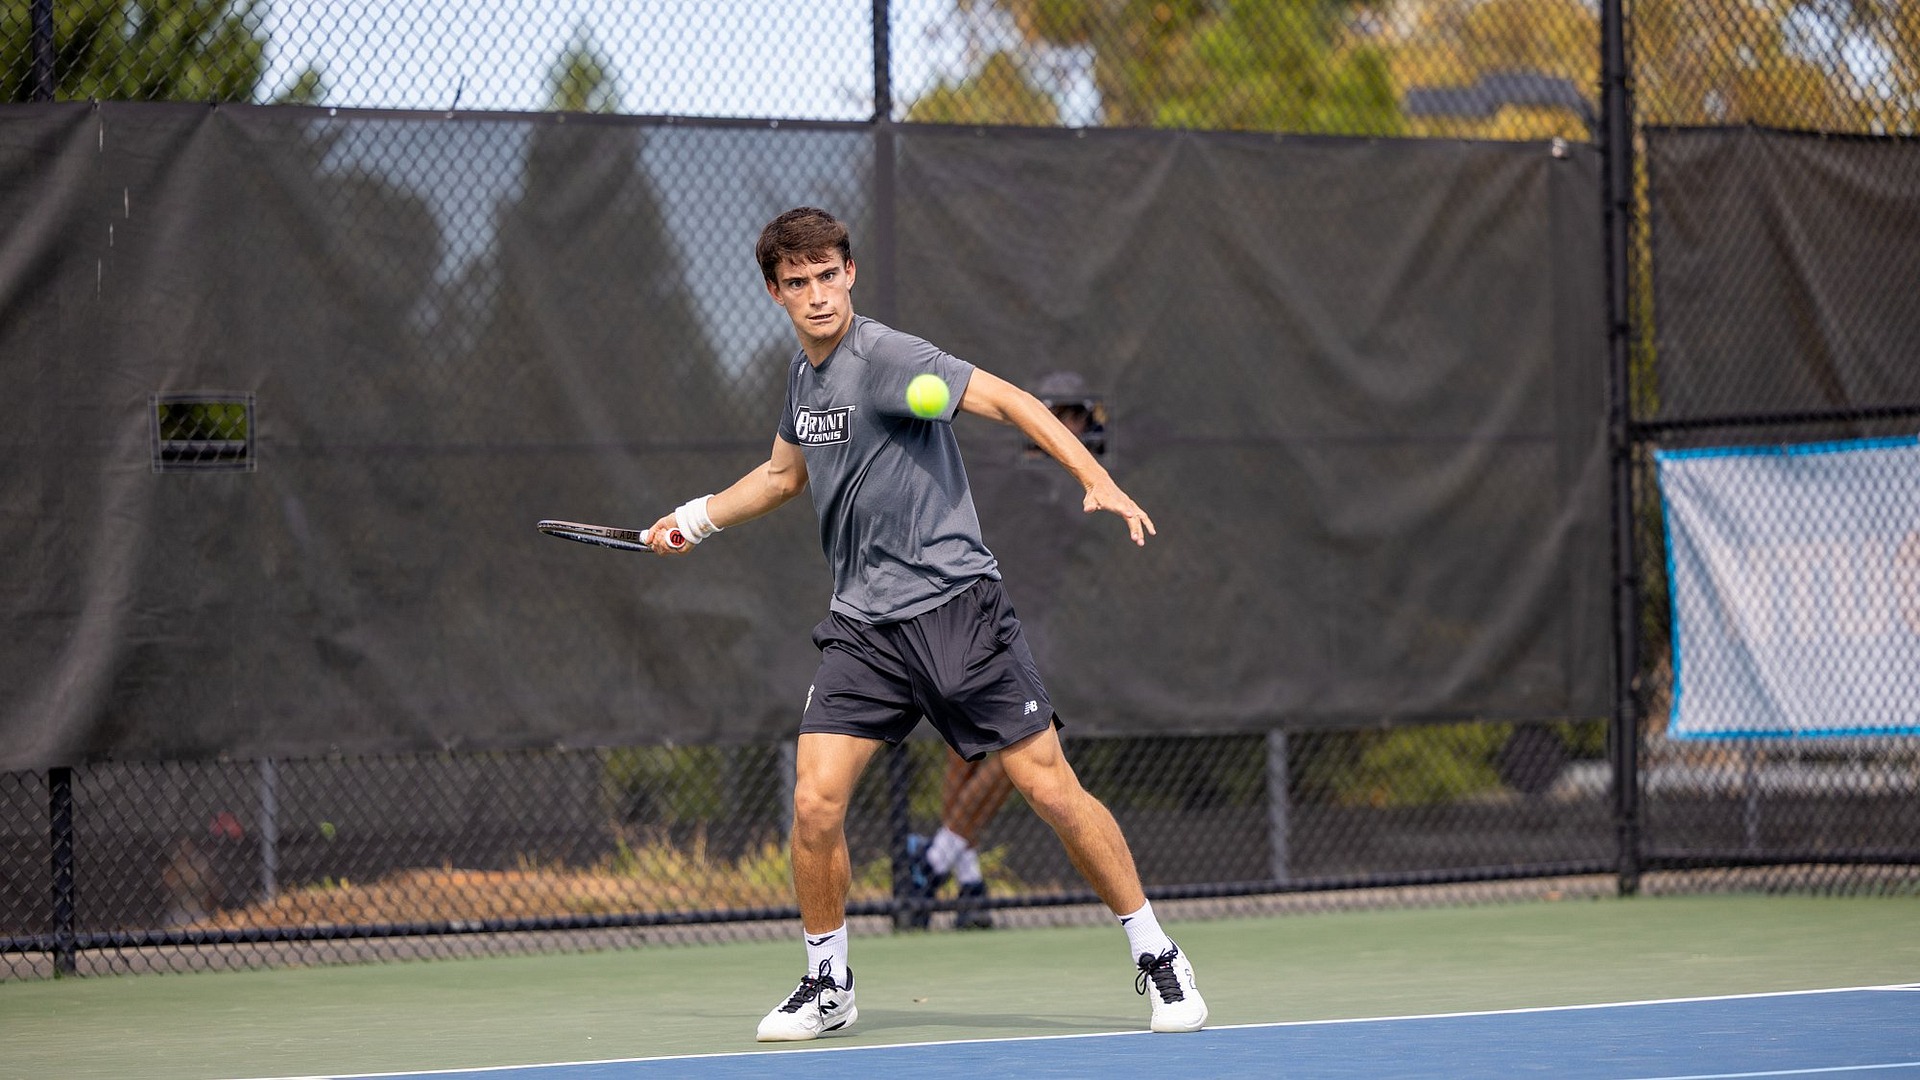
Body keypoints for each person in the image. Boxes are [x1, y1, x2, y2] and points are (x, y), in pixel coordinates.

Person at [645, 207, 1206, 1042]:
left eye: (827, 275)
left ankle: (1158, 953)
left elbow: (1010, 399)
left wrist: (1095, 477)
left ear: (849, 274)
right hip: (863, 629)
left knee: (1049, 788)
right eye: (797, 282)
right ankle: (828, 981)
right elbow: (781, 476)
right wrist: (694, 520)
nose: (817, 294)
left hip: (956, 608)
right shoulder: (803, 378)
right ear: (775, 293)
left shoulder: (888, 357)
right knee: (814, 802)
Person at [905, 375, 1106, 931]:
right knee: (972, 747)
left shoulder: (1069, 480)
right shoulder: (1017, 481)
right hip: (986, 609)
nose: (1075, 427)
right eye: (1065, 416)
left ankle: (944, 865)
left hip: (1039, 624)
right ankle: (951, 867)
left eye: (1078, 418)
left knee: (1015, 747)